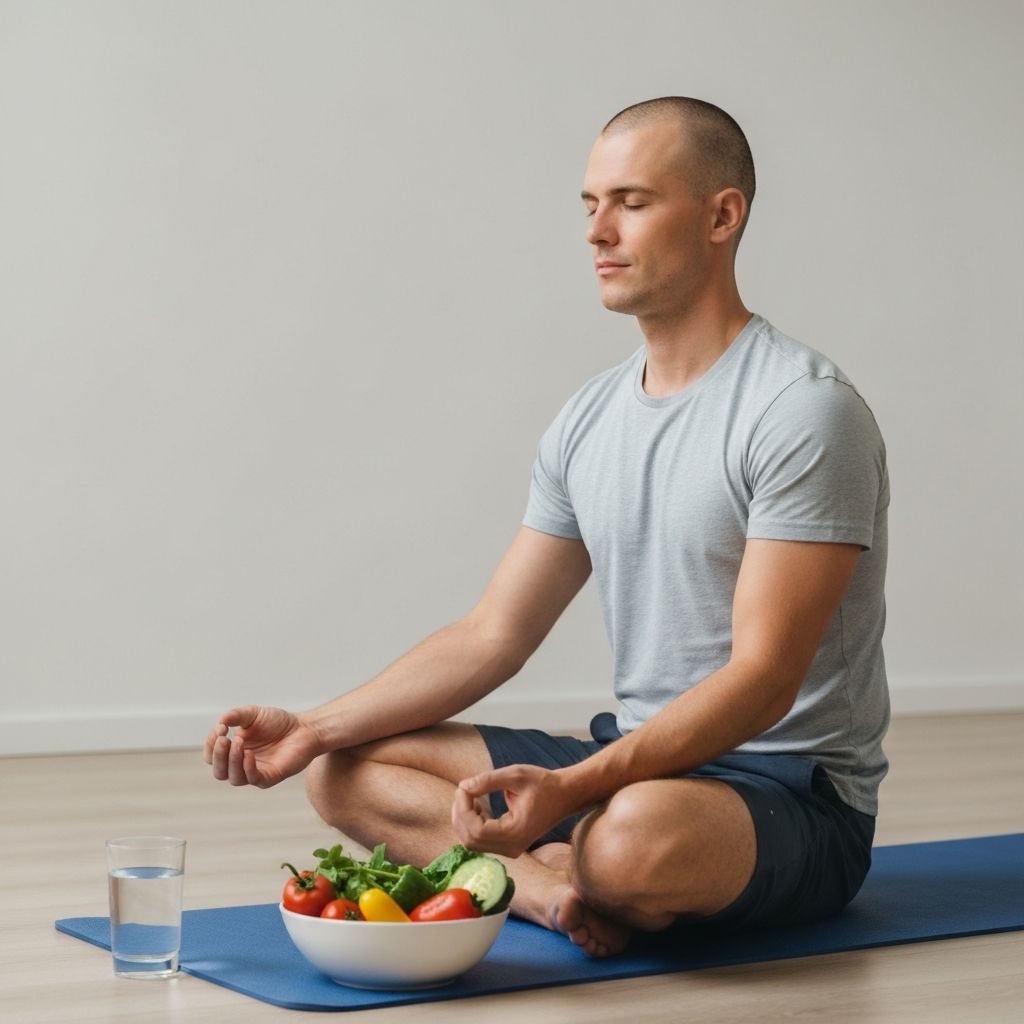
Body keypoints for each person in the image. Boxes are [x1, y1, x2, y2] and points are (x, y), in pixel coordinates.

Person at [204, 96, 890, 958]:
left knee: (631, 841)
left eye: (632, 202)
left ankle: (594, 858)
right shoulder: (590, 417)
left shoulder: (802, 411)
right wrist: (314, 726)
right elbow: (494, 634)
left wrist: (569, 789)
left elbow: (762, 682)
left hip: (789, 793)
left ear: (723, 215)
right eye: (590, 205)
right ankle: (549, 890)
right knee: (344, 772)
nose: (599, 231)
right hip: (640, 759)